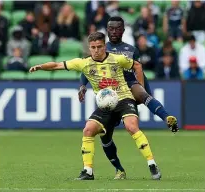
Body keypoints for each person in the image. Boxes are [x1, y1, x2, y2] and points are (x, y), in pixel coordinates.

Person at [29, 32, 165, 180]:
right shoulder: (83, 63)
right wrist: (40, 66)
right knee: (88, 130)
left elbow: (137, 65)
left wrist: (140, 87)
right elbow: (56, 65)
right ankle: (88, 171)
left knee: (131, 126)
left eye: (99, 47)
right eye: (93, 47)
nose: (96, 50)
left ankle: (152, 164)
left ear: (104, 46)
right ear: (89, 47)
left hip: (124, 98)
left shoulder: (117, 59)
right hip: (105, 104)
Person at [78, 17, 179, 180]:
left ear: (123, 31)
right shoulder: (101, 47)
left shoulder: (131, 49)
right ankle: (119, 169)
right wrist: (83, 85)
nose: (114, 31)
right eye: (111, 28)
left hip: (128, 85)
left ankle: (167, 117)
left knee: (143, 95)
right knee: (105, 136)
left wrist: (144, 88)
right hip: (109, 92)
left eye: (118, 29)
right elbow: (87, 67)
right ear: (107, 30)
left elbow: (139, 69)